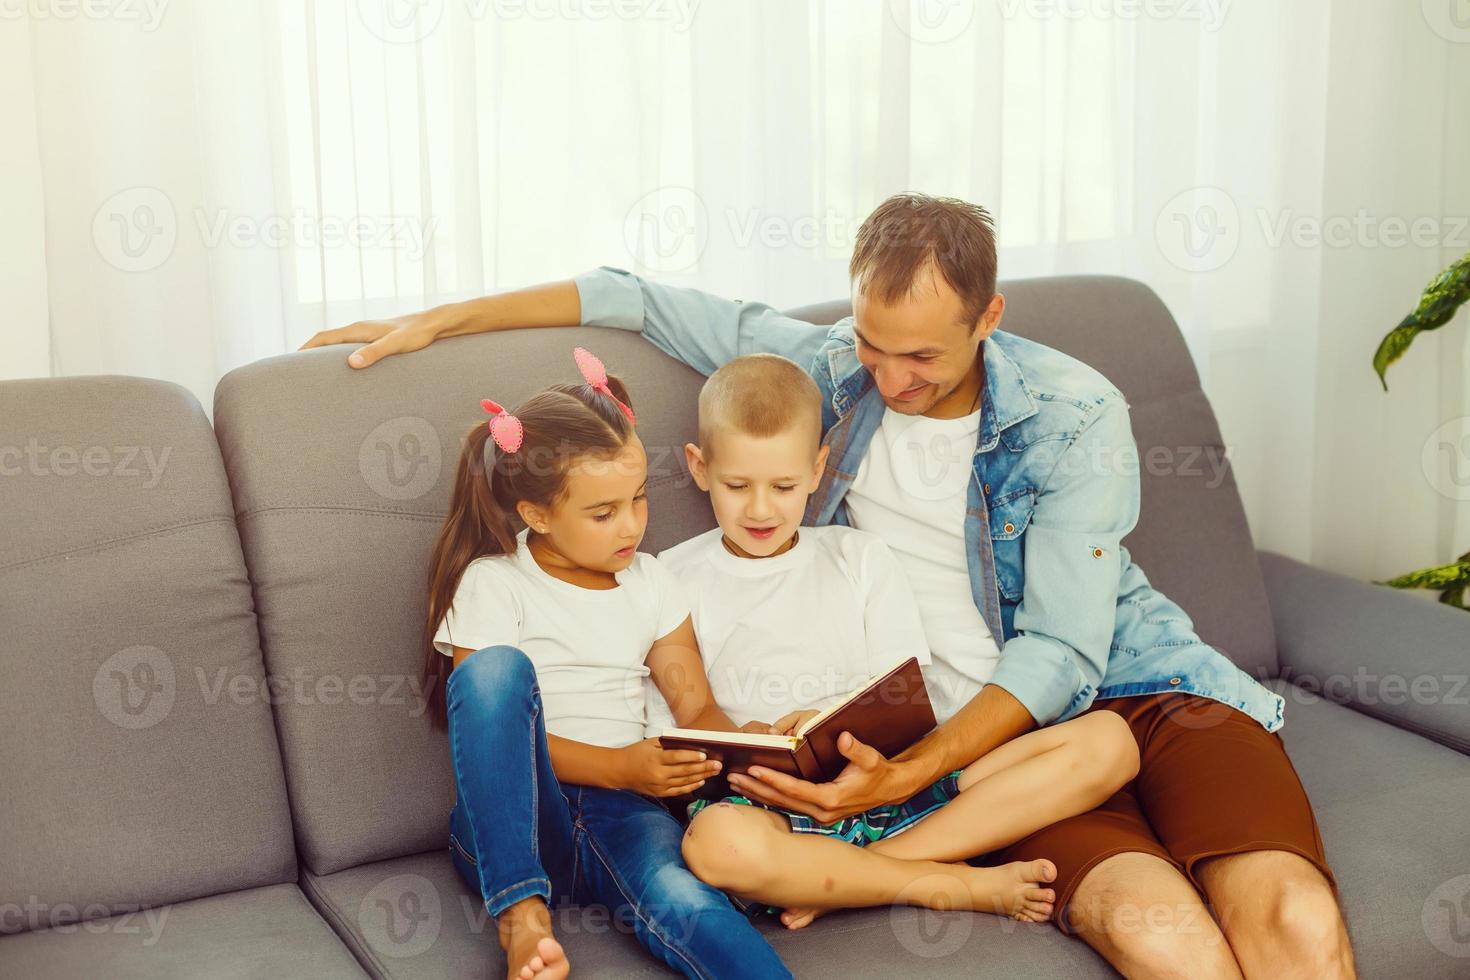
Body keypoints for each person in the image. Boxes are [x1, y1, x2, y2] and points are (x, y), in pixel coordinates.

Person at [308, 193, 1354, 978]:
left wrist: (904, 777)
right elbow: (633, 298)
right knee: (1157, 929)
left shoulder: (1074, 411)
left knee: (1292, 916)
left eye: (921, 357)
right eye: (870, 342)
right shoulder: (827, 370)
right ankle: (886, 858)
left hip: (1137, 690)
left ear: (988, 316)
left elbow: (1066, 656)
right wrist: (441, 318)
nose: (887, 374)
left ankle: (875, 849)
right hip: (983, 746)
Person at [655, 352, 1140, 928]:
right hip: (767, 810)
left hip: (884, 787)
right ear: (699, 467)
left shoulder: (857, 556)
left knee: (1110, 741)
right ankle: (949, 883)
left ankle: (847, 879)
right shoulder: (669, 578)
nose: (761, 509)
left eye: (784, 486)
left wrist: (829, 721)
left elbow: (901, 692)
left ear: (818, 469)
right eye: (738, 485)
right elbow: (668, 726)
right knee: (717, 844)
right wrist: (739, 740)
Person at [422, 346, 791, 980]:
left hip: (630, 817)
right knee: (493, 671)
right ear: (537, 515)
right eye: (603, 513)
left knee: (684, 899)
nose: (632, 527)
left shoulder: (651, 582)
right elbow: (495, 732)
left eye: (639, 500)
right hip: (518, 817)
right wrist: (622, 767)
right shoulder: (494, 583)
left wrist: (743, 743)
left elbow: (694, 703)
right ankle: (522, 919)